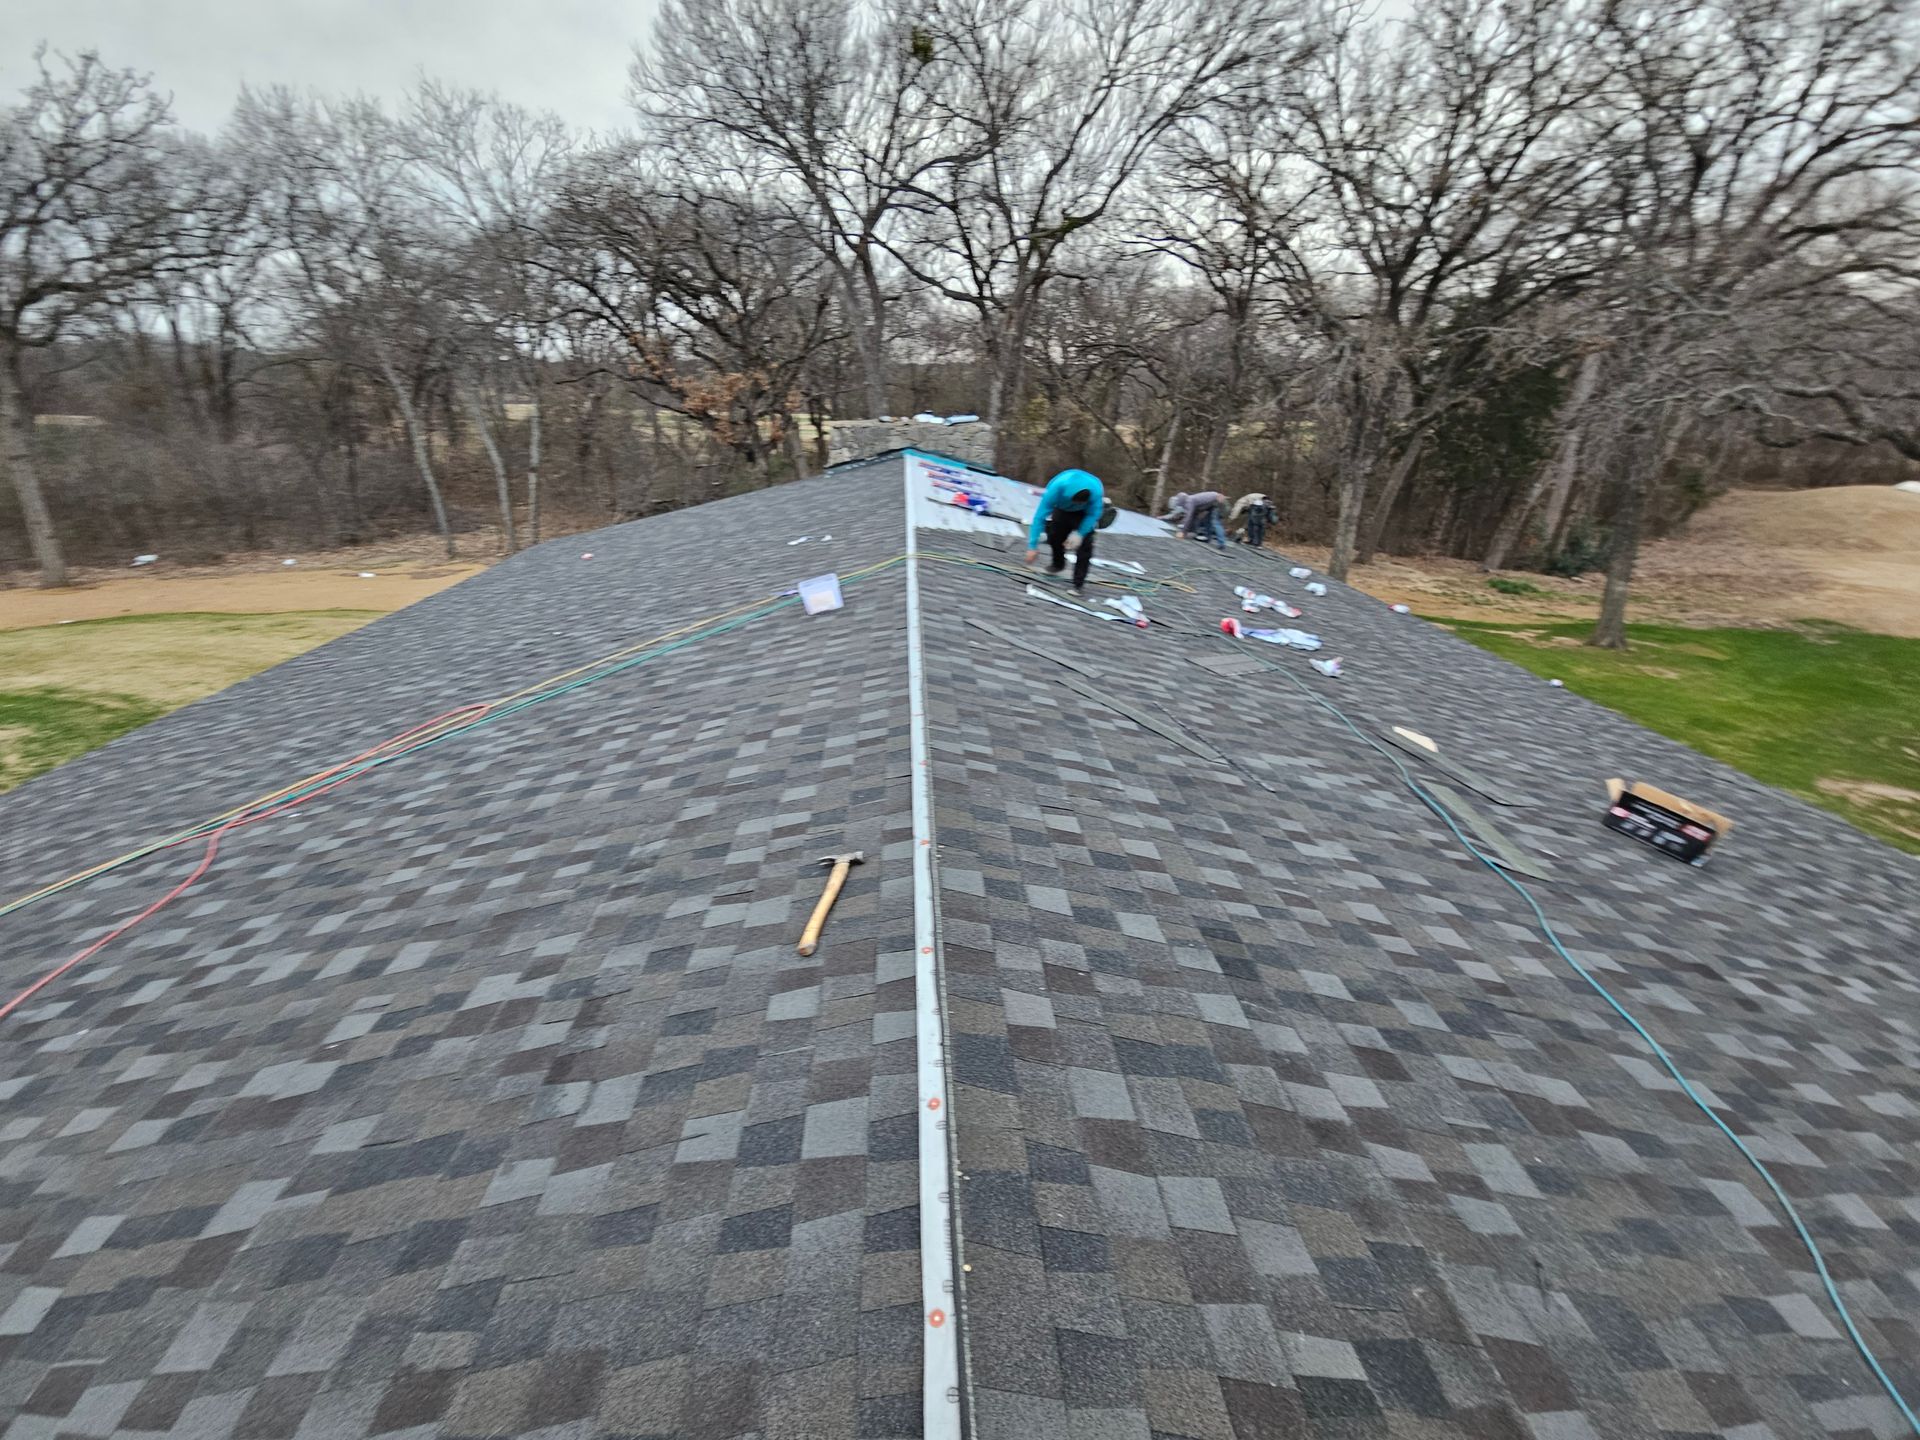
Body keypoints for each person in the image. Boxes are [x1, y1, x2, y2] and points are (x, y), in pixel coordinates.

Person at [1026, 468, 1110, 590]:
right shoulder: (1056, 489)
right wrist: (1032, 547)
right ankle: (1058, 564)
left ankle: (1078, 583)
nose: (1077, 505)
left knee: (1085, 546)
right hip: (1062, 509)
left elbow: (1093, 515)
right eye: (1076, 503)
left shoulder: (1096, 492)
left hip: (1084, 515)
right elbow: (1039, 517)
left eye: (1080, 503)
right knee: (1054, 536)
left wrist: (1080, 534)